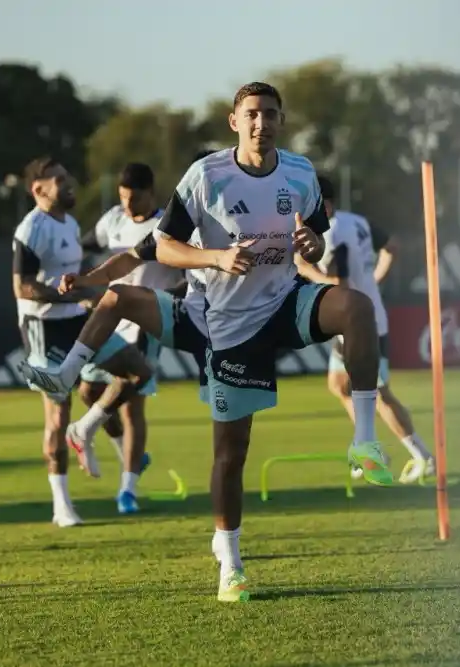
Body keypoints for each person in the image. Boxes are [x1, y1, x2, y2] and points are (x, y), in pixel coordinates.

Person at [21, 82, 392, 602]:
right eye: (251, 114)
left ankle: (365, 442)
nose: (261, 123)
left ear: (281, 120)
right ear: (233, 120)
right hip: (220, 324)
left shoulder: (301, 172)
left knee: (355, 306)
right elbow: (155, 249)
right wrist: (210, 259)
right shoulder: (204, 179)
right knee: (231, 452)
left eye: (270, 114)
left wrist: (312, 239)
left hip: (283, 303)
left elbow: (314, 231)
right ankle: (230, 562)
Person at [12, 157, 153, 527]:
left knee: (138, 371)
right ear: (38, 190)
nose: (69, 182)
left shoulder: (71, 223)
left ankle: (86, 428)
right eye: (59, 179)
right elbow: (22, 286)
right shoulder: (31, 229)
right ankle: (62, 505)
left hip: (76, 320)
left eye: (67, 175)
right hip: (44, 329)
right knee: (57, 415)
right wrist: (72, 299)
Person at [296, 175, 435, 484]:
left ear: (326, 205)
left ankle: (423, 457)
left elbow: (340, 285)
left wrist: (307, 271)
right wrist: (374, 280)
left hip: (364, 324)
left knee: (379, 395)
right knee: (339, 385)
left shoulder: (333, 235)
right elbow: (392, 247)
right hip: (354, 321)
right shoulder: (355, 221)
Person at [72, 163, 180, 513]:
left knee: (133, 403)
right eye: (122, 198)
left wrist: (168, 299)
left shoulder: (167, 226)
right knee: (89, 391)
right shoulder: (113, 220)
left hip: (148, 321)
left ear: (151, 194)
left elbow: (190, 275)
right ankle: (131, 455)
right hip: (111, 319)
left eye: (134, 198)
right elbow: (85, 245)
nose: (128, 205)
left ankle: (128, 489)